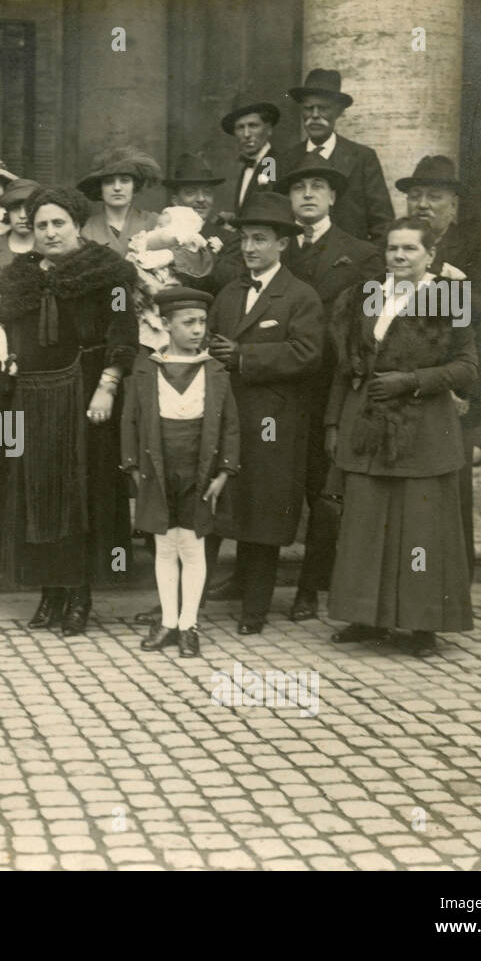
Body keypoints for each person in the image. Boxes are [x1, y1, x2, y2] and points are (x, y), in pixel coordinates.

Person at [324, 216, 477, 656]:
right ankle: (365, 616)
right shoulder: (365, 295)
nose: (399, 256)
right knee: (366, 523)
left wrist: (411, 380)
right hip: (368, 424)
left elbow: (468, 368)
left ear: (430, 254)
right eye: (393, 248)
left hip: (423, 429)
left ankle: (422, 625)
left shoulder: (449, 298)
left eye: (410, 249)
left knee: (421, 531)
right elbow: (346, 366)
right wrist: (334, 423)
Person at [0, 185, 138, 636]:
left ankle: (79, 595)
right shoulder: (19, 278)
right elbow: (5, 334)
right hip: (33, 399)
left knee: (82, 496)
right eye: (41, 225)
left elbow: (123, 331)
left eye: (59, 223)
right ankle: (49, 592)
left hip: (85, 398)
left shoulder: (110, 273)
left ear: (77, 225)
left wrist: (108, 386)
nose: (50, 232)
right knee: (38, 495)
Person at [204, 192, 323, 634]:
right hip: (228, 417)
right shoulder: (230, 292)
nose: (250, 248)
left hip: (274, 423)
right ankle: (187, 605)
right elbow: (211, 340)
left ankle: (254, 611)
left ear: (282, 244)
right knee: (214, 507)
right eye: (245, 239)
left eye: (260, 239)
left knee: (263, 514)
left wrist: (245, 358)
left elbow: (308, 354)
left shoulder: (300, 296)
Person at [276, 152, 382, 621]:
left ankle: (310, 586)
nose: (308, 195)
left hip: (328, 391)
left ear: (334, 196)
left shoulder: (360, 254)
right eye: (299, 188)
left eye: (318, 187)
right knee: (273, 480)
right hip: (278, 387)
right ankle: (248, 575)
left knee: (324, 491)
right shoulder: (276, 248)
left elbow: (369, 327)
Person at [397, 155, 481, 580]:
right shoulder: (396, 248)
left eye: (435, 196)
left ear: (455, 206)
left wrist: (467, 393)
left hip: (451, 393)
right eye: (415, 195)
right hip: (403, 390)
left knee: (448, 491)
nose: (422, 204)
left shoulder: (476, 252)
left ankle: (452, 584)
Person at [122, 288, 239, 657]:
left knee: (192, 547)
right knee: (164, 546)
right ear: (166, 325)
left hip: (198, 471)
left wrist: (223, 472)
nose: (197, 330)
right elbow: (130, 420)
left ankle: (189, 624)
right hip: (158, 469)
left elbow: (230, 425)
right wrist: (133, 467)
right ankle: (168, 621)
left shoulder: (215, 370)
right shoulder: (146, 369)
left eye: (202, 322)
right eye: (188, 323)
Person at [281, 69, 394, 244]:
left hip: (352, 264)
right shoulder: (286, 159)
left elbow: (383, 224)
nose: (315, 115)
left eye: (324, 108)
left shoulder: (362, 158)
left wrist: (370, 265)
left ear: (339, 112)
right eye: (308, 108)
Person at [162, 152, 245, 294]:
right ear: (175, 200)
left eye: (207, 192)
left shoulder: (230, 240)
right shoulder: (162, 235)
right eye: (190, 192)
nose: (201, 199)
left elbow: (232, 283)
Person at [76, 146, 162, 256]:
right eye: (109, 182)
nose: (117, 187)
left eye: (124, 181)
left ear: (134, 187)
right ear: (100, 189)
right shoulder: (87, 229)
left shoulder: (152, 222)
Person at [220, 95, 284, 219]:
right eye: (240, 127)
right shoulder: (247, 166)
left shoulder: (271, 163)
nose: (246, 134)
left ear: (269, 129)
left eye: (253, 126)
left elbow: (268, 211)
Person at [0, 177, 39, 288]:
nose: (22, 216)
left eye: (29, 209)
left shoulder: (50, 249)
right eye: (15, 209)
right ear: (7, 212)